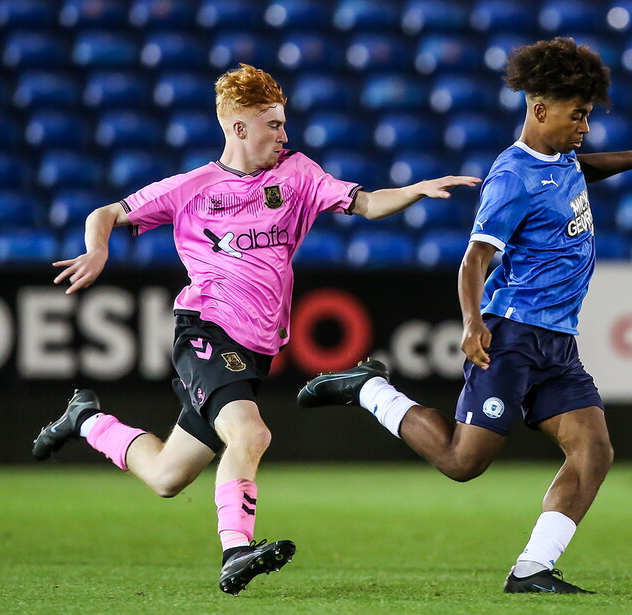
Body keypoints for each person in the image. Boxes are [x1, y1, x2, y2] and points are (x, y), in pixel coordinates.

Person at [31, 63, 480, 595]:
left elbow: (363, 202)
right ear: (239, 128)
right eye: (273, 124)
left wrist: (414, 190)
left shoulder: (297, 174)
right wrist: (97, 249)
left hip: (255, 348)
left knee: (167, 477)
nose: (284, 134)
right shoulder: (192, 188)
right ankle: (235, 550)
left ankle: (86, 422)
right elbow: (106, 212)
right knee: (251, 433)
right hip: (206, 328)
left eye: (284, 123)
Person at [298, 37, 632, 594]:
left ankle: (532, 569)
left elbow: (581, 168)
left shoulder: (561, 155)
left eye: (589, 116)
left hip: (558, 342)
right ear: (539, 109)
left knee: (594, 450)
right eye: (578, 117)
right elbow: (475, 258)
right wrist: (474, 322)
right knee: (462, 461)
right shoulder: (511, 178)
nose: (586, 128)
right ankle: (368, 390)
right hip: (513, 334)